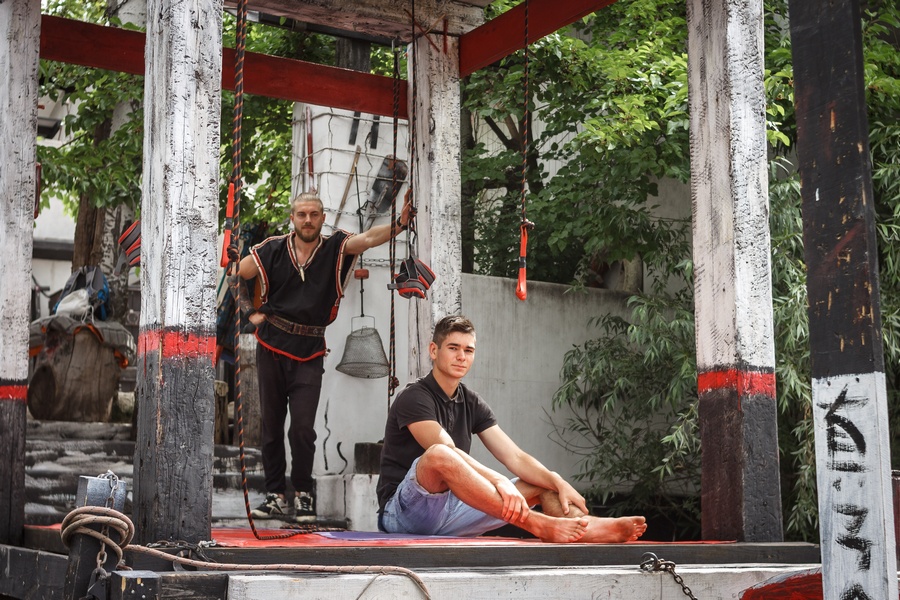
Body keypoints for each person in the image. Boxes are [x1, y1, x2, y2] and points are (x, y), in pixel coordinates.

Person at [376, 315, 647, 543]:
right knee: (439, 455)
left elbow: (515, 457)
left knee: (541, 481)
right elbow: (446, 451)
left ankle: (585, 527)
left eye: (468, 350)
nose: (461, 356)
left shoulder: (471, 401)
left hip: (452, 511)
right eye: (453, 348)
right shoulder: (414, 397)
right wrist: (499, 480)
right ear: (434, 351)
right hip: (404, 516)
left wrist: (556, 481)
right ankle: (536, 524)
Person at [230, 190, 411, 523]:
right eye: (301, 214)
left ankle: (302, 493)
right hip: (271, 347)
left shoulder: (334, 247)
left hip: (310, 350)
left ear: (322, 218)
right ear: (292, 218)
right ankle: (274, 495)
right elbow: (236, 274)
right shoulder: (271, 249)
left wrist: (399, 223)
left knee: (302, 428)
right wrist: (249, 313)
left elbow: (369, 238)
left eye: (314, 214)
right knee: (271, 426)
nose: (308, 220)